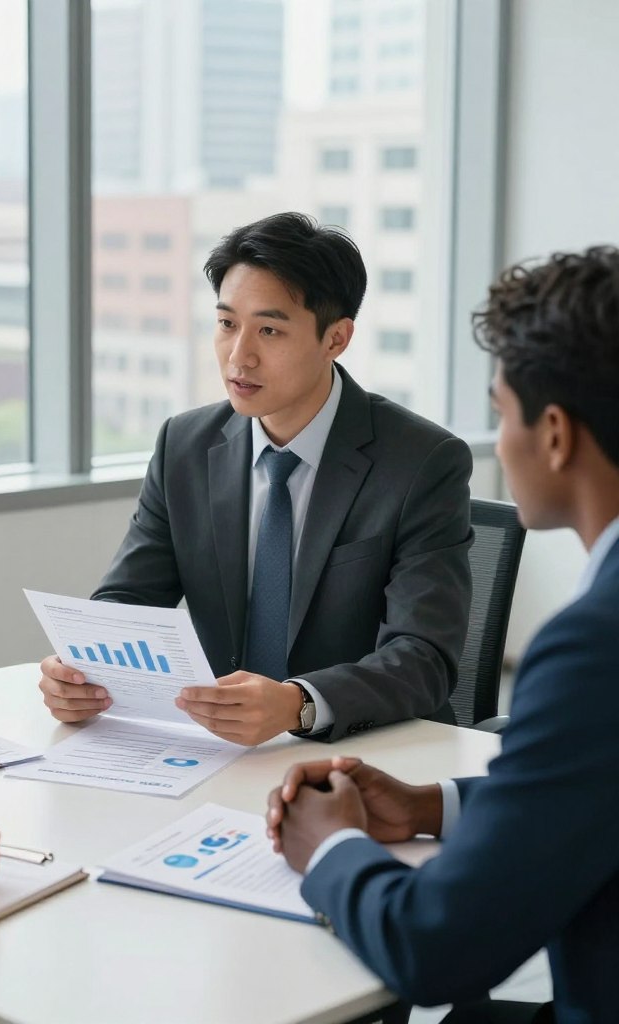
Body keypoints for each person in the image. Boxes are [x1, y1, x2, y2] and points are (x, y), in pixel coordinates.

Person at [269, 246, 619, 1023]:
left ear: (555, 433)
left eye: (501, 410)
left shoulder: (593, 646)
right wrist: (433, 807)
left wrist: (331, 847)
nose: (500, 440)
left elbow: (433, 947)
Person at [39, 212, 473, 743]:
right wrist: (84, 668)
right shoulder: (185, 444)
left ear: (336, 338)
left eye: (269, 329)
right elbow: (128, 600)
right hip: (221, 751)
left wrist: (298, 704)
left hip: (370, 753)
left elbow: (424, 657)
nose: (239, 355)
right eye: (226, 324)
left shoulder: (421, 462)